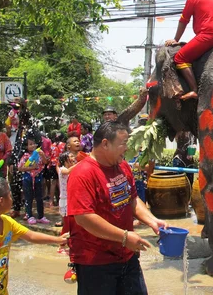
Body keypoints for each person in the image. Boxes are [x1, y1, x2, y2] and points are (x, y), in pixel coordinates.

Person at [67, 122, 169, 294]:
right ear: (105, 143)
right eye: (123, 143)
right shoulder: (82, 173)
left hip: (127, 257)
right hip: (96, 263)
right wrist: (124, 237)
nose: (128, 148)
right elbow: (84, 217)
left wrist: (153, 221)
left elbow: (132, 200)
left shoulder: (122, 166)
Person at [0, 177, 66, 294]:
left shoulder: (7, 222)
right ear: (1, 201)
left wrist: (58, 240)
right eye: (9, 195)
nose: (12, 199)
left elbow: (30, 235)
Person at [18, 137, 50, 225]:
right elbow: (20, 168)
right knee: (28, 197)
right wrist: (32, 168)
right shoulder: (25, 156)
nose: (33, 146)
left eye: (34, 144)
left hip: (38, 177)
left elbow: (45, 162)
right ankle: (29, 215)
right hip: (28, 177)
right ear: (26, 146)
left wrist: (43, 155)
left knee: (40, 197)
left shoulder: (40, 154)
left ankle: (41, 216)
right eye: (30, 144)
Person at [57, 151, 77, 253]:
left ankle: (69, 245)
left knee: (72, 224)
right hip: (65, 200)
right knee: (67, 225)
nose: (73, 158)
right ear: (65, 160)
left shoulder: (72, 169)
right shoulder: (62, 169)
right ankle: (61, 246)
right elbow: (67, 172)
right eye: (71, 157)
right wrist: (80, 163)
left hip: (71, 199)